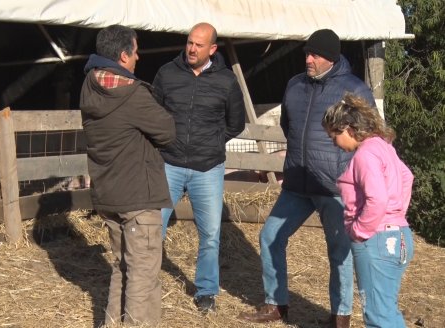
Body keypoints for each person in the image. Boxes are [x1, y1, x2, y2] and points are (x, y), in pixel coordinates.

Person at [238, 29, 375, 328]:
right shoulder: (295, 85)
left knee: (339, 252)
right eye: (306, 54)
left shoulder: (354, 90)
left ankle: (340, 317)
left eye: (314, 54)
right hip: (299, 182)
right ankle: (277, 305)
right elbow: (290, 125)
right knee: (270, 236)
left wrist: (351, 175)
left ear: (331, 57)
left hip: (336, 187)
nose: (308, 59)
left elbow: (370, 138)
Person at [80, 24, 175, 326]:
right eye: (135, 50)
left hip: (109, 194)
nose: (139, 56)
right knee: (143, 276)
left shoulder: (89, 86)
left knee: (122, 268)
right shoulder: (132, 93)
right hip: (137, 196)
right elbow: (167, 131)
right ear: (123, 55)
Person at [152, 22, 245, 313]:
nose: (192, 49)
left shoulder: (227, 81)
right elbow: (154, 113)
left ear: (212, 49)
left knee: (210, 234)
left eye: (199, 45)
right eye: (190, 42)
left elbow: (236, 123)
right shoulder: (167, 74)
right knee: (153, 227)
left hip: (208, 168)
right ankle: (146, 281)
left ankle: (206, 291)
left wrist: (213, 142)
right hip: (169, 163)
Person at [322, 93, 414, 327]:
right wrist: (397, 214)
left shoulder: (365, 154)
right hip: (399, 236)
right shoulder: (383, 147)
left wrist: (360, 231)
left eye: (334, 136)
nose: (334, 143)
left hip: (377, 241)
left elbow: (377, 198)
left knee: (377, 316)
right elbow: (407, 176)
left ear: (348, 128)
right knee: (386, 310)